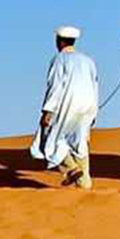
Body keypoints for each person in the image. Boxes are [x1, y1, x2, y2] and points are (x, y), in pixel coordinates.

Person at [31, 26, 99, 189]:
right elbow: (95, 85)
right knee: (80, 143)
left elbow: (55, 86)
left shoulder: (59, 59)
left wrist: (48, 110)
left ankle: (72, 169)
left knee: (50, 138)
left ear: (59, 41)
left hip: (67, 104)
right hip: (87, 106)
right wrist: (94, 112)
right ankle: (85, 184)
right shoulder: (88, 60)